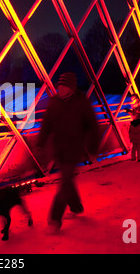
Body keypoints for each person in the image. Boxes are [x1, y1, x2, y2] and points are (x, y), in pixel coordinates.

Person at [36, 72, 100, 231]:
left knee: (64, 183)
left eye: (63, 86)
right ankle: (77, 208)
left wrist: (93, 148)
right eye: (59, 86)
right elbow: (46, 125)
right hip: (58, 149)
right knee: (67, 181)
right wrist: (40, 143)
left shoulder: (81, 102)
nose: (60, 89)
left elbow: (93, 125)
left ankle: (55, 220)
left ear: (71, 88)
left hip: (74, 149)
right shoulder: (54, 102)